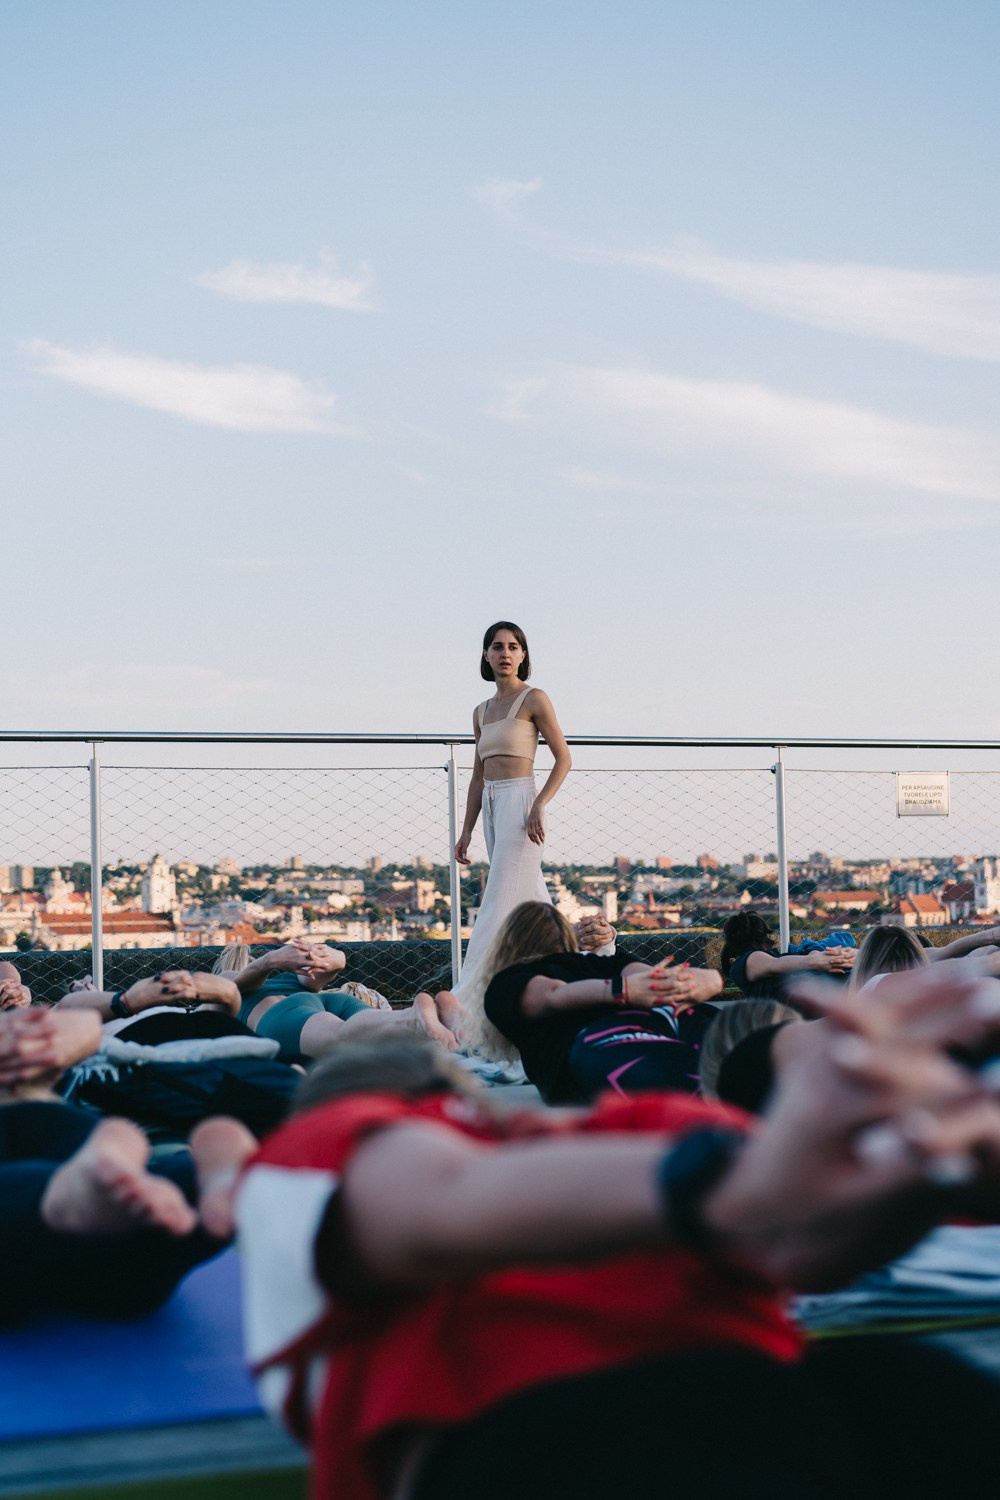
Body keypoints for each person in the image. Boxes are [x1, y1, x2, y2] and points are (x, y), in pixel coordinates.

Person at [215, 958, 1000, 1500]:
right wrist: (742, 1187)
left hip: (741, 1401)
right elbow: (439, 1205)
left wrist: (926, 1165)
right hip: (552, 1433)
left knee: (912, 1394)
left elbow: (791, 1238)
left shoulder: (644, 1134)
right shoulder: (323, 1163)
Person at [0, 1006, 228, 1323]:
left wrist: (42, 1038)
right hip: (69, 1186)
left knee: (115, 1150)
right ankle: (213, 1173)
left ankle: (203, 1177)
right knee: (119, 1149)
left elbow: (81, 1020)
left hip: (64, 1167)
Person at [466, 901, 723, 1102]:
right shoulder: (604, 963)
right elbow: (652, 977)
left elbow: (555, 994)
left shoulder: (506, 981)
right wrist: (711, 980)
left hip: (603, 1044)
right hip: (671, 1023)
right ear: (567, 938)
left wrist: (620, 991)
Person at [452, 622, 571, 999]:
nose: (505, 653)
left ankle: (466, 997)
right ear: (485, 655)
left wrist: (538, 804)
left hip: (521, 804)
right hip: (490, 803)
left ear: (523, 655)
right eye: (497, 647)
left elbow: (564, 759)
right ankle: (569, 972)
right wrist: (466, 831)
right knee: (531, 897)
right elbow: (476, 777)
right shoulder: (480, 712)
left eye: (513, 647)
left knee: (497, 902)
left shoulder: (535, 698)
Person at [216, 940, 457, 1062]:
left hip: (284, 1018)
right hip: (330, 1003)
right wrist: (332, 960)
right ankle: (434, 1015)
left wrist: (330, 958)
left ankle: (415, 1018)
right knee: (375, 1025)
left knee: (344, 1036)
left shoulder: (231, 986)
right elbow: (318, 976)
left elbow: (324, 972)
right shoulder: (281, 980)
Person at [720, 910, 855, 998]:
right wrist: (814, 959)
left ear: (732, 960)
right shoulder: (747, 967)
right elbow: (773, 963)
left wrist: (814, 957)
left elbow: (774, 963)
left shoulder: (742, 963)